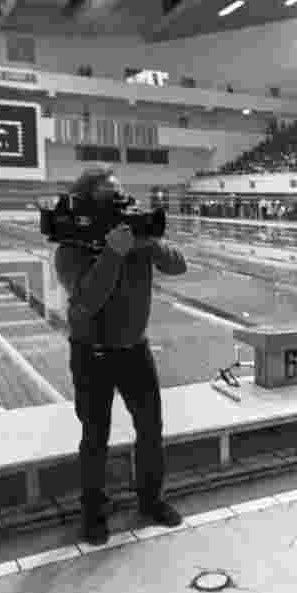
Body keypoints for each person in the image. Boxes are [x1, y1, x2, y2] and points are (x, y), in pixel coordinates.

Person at [54, 167, 188, 545]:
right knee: (95, 437)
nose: (123, 207)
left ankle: (151, 500)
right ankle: (94, 514)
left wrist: (148, 243)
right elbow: (88, 300)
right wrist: (113, 254)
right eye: (113, 201)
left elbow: (179, 264)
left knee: (151, 430)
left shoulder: (136, 241)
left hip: (135, 350)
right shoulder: (71, 250)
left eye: (123, 197)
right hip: (91, 354)